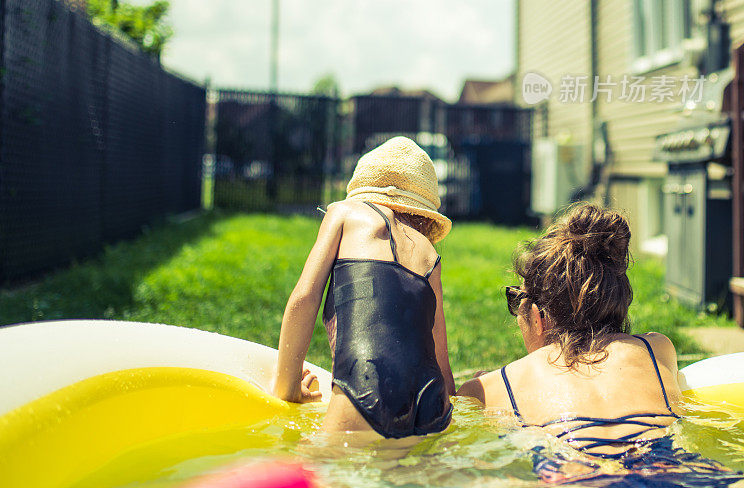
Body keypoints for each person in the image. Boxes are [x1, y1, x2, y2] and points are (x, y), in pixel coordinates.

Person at [458, 203, 742, 485]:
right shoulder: (657, 350)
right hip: (670, 468)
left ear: (537, 314)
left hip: (573, 473)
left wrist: (486, 387)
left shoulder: (490, 389)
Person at [272, 135, 456, 439]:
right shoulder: (429, 252)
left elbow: (305, 298)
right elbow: (440, 352)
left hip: (366, 386)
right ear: (424, 212)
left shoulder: (345, 214)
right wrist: (451, 395)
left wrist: (287, 386)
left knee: (320, 473)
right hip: (432, 403)